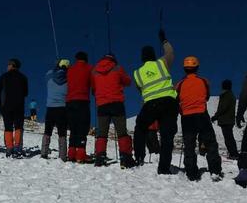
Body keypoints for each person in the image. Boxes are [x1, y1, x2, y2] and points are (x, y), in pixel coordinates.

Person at [133, 29, 178, 174]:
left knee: (140, 127)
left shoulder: (137, 73)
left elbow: (141, 91)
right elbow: (171, 53)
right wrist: (164, 40)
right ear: (153, 55)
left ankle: (139, 157)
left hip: (151, 104)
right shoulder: (162, 63)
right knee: (167, 135)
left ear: (142, 58)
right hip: (169, 103)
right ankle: (164, 168)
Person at [174, 56, 222, 181]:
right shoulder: (203, 81)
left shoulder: (179, 84)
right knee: (210, 142)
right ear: (197, 67)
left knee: (189, 145)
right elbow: (206, 96)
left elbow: (176, 100)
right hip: (201, 114)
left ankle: (191, 173)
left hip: (187, 118)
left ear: (185, 69)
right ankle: (215, 170)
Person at [91, 53, 135, 167]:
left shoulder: (95, 71)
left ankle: (100, 157)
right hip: (117, 103)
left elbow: (93, 88)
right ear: (113, 59)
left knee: (102, 133)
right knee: (121, 132)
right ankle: (125, 157)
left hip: (102, 105)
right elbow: (128, 81)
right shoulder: (117, 68)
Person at [0, 58, 29, 157]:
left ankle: (9, 148)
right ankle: (17, 148)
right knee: (18, 126)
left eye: (8, 64)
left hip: (6, 105)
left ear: (12, 65)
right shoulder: (23, 77)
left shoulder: (4, 76)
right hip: (19, 105)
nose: (7, 66)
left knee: (8, 126)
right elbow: (26, 93)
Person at [66, 51, 93, 162]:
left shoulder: (70, 70)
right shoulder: (89, 68)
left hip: (70, 101)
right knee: (82, 127)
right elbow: (93, 83)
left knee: (73, 128)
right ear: (86, 59)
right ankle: (81, 154)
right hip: (83, 101)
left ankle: (71, 153)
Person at [41, 59, 69, 160]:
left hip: (50, 107)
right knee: (62, 132)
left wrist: (56, 66)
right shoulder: (69, 78)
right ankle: (62, 155)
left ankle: (44, 152)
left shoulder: (49, 75)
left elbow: (48, 74)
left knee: (47, 131)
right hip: (62, 107)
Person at [211, 79, 239, 159]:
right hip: (229, 120)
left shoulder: (226, 95)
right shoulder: (231, 95)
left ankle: (234, 154)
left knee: (228, 138)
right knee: (229, 137)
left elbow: (223, 108)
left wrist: (215, 117)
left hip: (226, 120)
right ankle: (233, 153)